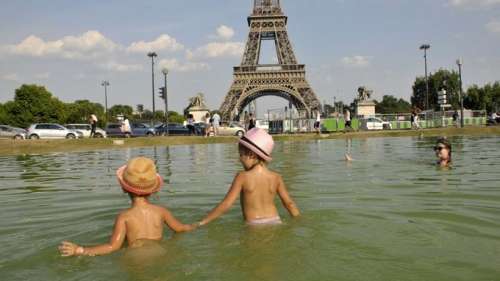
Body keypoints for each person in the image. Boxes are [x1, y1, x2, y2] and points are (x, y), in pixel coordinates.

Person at [58, 157, 196, 257]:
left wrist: (80, 250)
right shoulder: (162, 211)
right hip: (161, 253)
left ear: (124, 189)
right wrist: (196, 224)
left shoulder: (124, 217)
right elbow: (181, 228)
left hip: (136, 257)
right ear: (154, 189)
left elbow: (112, 247)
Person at [197, 128, 300, 226]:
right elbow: (289, 204)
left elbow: (226, 204)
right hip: (275, 221)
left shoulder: (242, 177)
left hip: (254, 224)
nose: (239, 159)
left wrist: (202, 222)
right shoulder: (276, 177)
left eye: (241, 155)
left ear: (251, 154)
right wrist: (299, 221)